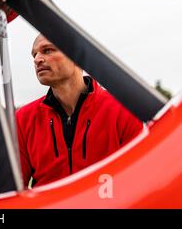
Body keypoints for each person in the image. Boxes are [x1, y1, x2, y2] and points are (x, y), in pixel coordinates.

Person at [16, 34, 144, 187]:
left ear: (78, 57)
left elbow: (142, 180)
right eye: (34, 54)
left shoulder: (123, 109)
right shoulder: (23, 118)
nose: (37, 59)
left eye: (48, 50)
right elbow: (12, 191)